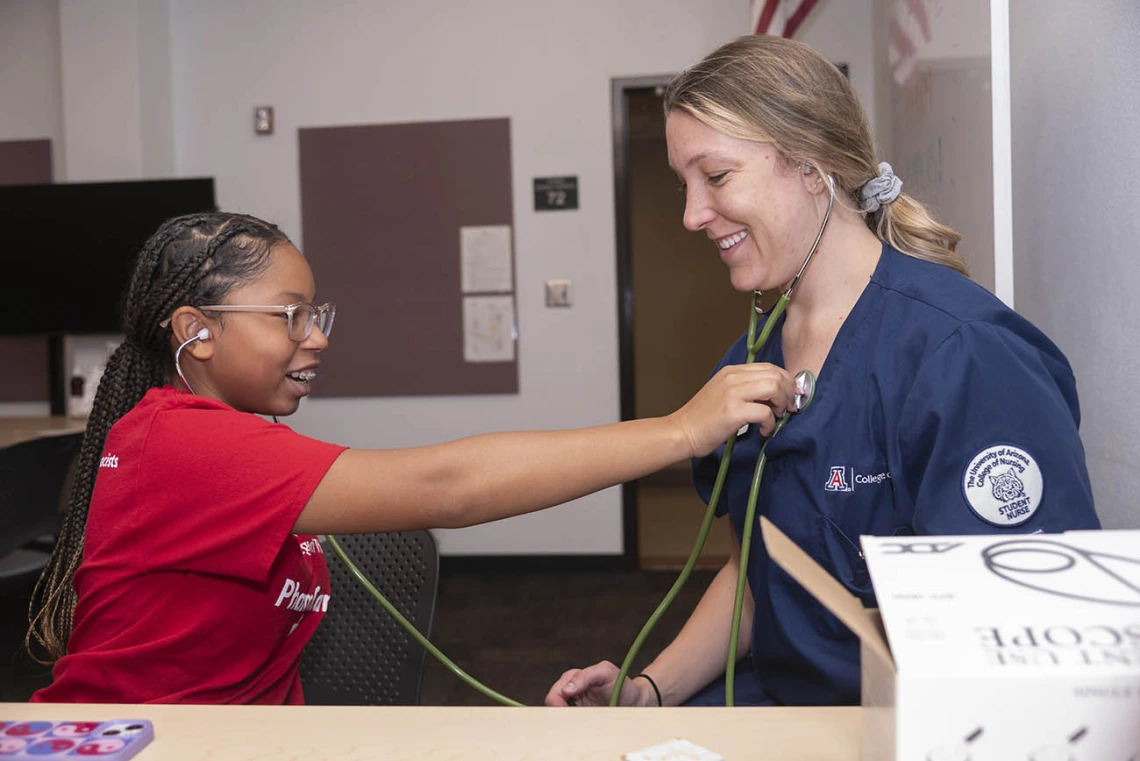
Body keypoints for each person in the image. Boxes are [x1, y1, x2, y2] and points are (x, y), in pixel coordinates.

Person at [27, 210, 795, 704]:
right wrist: (682, 430)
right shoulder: (186, 441)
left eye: (316, 312)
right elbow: (450, 486)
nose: (317, 335)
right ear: (195, 331)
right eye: (290, 315)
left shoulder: (205, 436)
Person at [545, 35, 1100, 709]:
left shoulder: (964, 355)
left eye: (715, 177)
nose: (691, 215)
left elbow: (1035, 644)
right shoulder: (752, 358)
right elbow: (761, 573)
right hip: (777, 702)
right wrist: (649, 690)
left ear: (811, 165)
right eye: (683, 185)